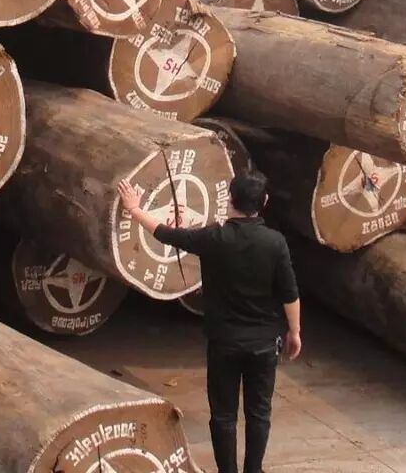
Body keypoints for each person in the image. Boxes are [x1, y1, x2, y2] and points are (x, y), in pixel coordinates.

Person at [117, 169, 300, 473]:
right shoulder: (275, 242)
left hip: (224, 342)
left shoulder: (213, 237)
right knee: (259, 412)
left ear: (230, 199)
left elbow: (166, 234)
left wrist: (135, 209)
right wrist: (294, 331)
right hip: (264, 343)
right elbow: (289, 293)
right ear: (264, 201)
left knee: (223, 414)